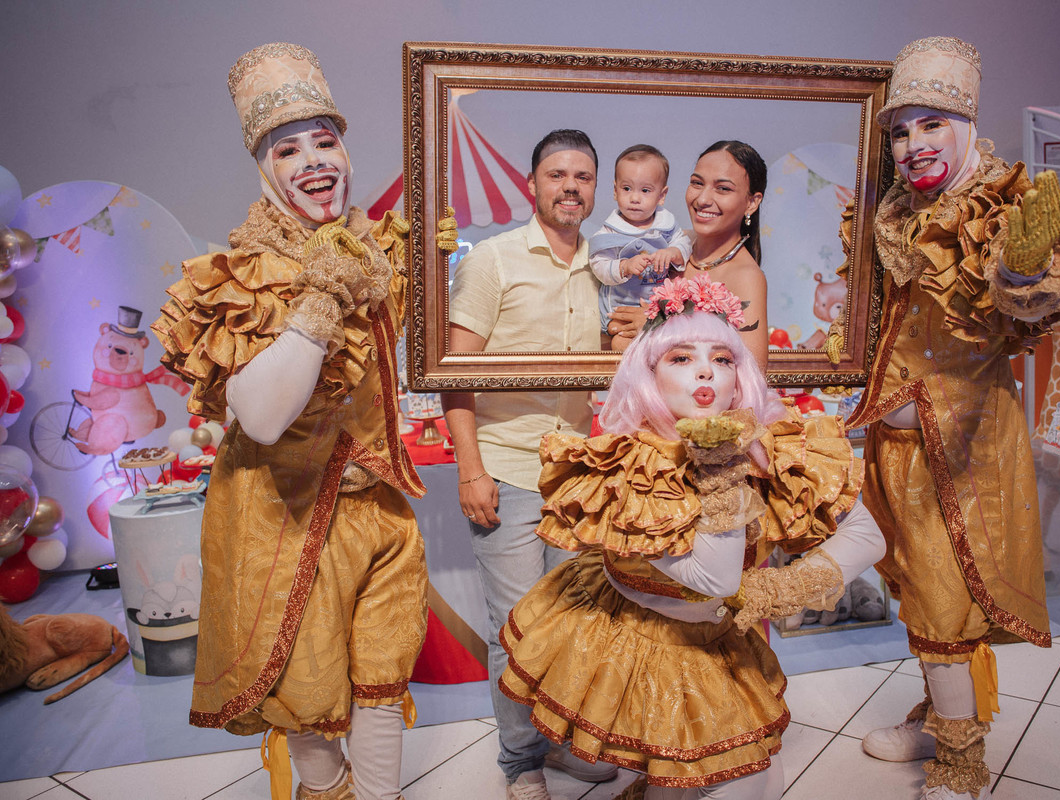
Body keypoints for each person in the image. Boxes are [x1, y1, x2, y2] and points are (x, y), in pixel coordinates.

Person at [152, 43, 454, 800]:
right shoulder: (243, 273)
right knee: (312, 701)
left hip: (380, 504)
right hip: (280, 522)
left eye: (326, 141)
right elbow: (259, 416)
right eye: (289, 148)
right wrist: (320, 300)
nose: (315, 160)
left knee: (384, 678)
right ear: (263, 166)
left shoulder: (376, 247)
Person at [499, 275, 886, 799]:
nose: (706, 370)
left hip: (716, 638)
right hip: (640, 636)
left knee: (738, 779)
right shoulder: (630, 462)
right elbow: (716, 578)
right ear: (648, 375)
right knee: (705, 776)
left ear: (739, 377)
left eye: (723, 359)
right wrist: (722, 467)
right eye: (681, 358)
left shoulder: (772, 444)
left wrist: (783, 588)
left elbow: (867, 534)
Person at [841, 37, 1060, 800]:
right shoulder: (893, 210)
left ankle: (961, 764)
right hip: (894, 433)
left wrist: (1021, 270)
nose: (913, 144)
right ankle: (939, 719)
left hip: (965, 440)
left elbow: (1029, 308)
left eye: (931, 125)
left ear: (965, 124)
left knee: (948, 598)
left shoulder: (1003, 205)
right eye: (900, 129)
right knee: (920, 593)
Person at [440, 129, 618, 799]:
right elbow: (449, 374)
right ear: (532, 185)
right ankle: (521, 764)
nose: (569, 186)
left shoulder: (603, 264)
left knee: (569, 625)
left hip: (575, 472)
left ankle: (564, 745)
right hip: (508, 469)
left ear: (593, 189)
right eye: (556, 175)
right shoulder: (493, 259)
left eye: (582, 176)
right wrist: (469, 468)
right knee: (515, 627)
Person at [608, 141, 768, 370]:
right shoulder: (671, 245)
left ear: (752, 202)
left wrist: (659, 328)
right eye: (697, 183)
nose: (702, 199)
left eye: (723, 188)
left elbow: (752, 376)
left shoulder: (746, 275)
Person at [588, 144, 692, 349]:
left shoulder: (666, 225)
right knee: (618, 340)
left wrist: (673, 252)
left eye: (645, 190)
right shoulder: (610, 231)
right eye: (626, 189)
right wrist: (624, 266)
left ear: (661, 195)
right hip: (620, 307)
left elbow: (685, 243)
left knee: (664, 335)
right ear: (615, 191)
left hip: (656, 308)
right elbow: (598, 265)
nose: (634, 198)